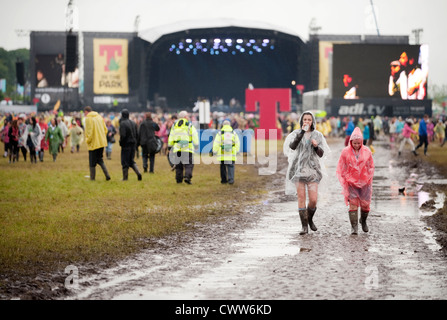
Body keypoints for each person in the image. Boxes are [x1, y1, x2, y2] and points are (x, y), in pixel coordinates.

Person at [283, 111, 330, 235]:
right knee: (301, 197)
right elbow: (292, 147)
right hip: (298, 169)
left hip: (313, 169)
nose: (307, 122)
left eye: (309, 120)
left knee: (313, 200)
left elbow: (321, 153)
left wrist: (315, 146)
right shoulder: (297, 134)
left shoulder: (318, 135)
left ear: (313, 121)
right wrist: (302, 133)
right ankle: (304, 226)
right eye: (305, 120)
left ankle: (309, 218)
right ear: (301, 121)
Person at [336, 127, 375, 235]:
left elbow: (371, 166)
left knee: (365, 205)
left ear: (362, 142)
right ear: (351, 141)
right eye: (354, 143)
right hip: (351, 183)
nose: (357, 145)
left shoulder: (367, 151)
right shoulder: (345, 152)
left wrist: (368, 176)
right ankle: (354, 227)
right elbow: (341, 166)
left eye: (359, 143)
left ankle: (363, 221)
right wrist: (345, 177)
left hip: (365, 183)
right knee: (353, 205)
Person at [168, 110, 199, 184]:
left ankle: (179, 179)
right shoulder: (189, 125)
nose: (188, 117)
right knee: (189, 164)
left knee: (178, 165)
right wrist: (196, 144)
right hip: (187, 148)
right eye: (187, 116)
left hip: (177, 148)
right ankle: (187, 177)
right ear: (185, 117)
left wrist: (170, 146)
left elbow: (171, 135)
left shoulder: (174, 125)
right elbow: (194, 135)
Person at [84, 106, 111, 181]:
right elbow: (105, 130)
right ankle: (107, 175)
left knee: (92, 162)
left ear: (86, 112)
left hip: (93, 144)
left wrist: (87, 140)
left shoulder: (88, 119)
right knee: (100, 160)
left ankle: (92, 178)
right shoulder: (100, 117)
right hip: (101, 143)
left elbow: (89, 131)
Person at [213, 119, 240, 184]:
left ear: (223, 125)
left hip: (222, 153)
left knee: (223, 166)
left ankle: (224, 180)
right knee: (231, 166)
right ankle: (231, 180)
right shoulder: (233, 133)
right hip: (231, 153)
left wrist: (214, 151)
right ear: (230, 125)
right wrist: (237, 150)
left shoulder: (220, 133)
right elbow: (237, 142)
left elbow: (216, 142)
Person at [119, 109, 142, 181]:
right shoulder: (133, 123)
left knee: (125, 162)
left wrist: (121, 143)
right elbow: (137, 135)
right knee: (131, 161)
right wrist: (136, 144)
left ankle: (125, 178)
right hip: (133, 145)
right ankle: (138, 173)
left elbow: (123, 135)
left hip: (126, 145)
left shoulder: (122, 123)